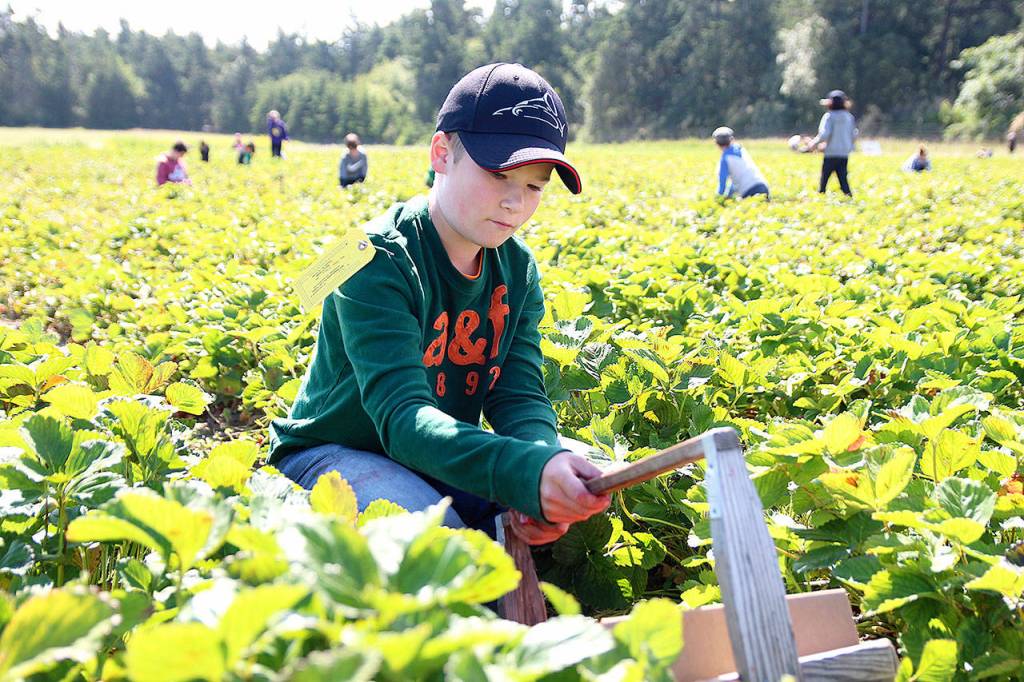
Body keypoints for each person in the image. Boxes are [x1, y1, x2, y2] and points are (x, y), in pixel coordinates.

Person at [268, 63, 610, 547]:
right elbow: (403, 420)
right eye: (497, 174)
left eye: (535, 186)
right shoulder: (375, 257)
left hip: (432, 451)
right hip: (334, 451)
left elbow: (517, 394)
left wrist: (538, 459)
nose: (516, 203)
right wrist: (521, 473)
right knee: (441, 545)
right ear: (442, 152)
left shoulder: (516, 269)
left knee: (585, 489)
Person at [808, 89, 857, 196]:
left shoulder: (829, 117)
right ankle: (848, 196)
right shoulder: (849, 117)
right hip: (844, 153)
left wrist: (813, 143)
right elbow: (854, 134)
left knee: (824, 179)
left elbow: (824, 134)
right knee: (843, 178)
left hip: (831, 153)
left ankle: (821, 195)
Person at [712, 126, 769, 199]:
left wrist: (718, 199)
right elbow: (735, 181)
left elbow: (722, 184)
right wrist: (729, 195)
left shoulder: (725, 159)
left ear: (716, 143)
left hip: (749, 191)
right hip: (763, 186)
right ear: (732, 140)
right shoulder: (741, 150)